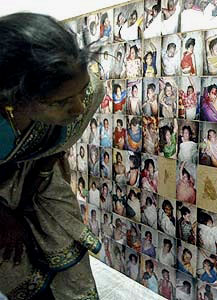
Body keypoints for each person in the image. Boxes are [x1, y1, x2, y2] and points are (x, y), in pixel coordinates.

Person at [0, 12, 107, 298]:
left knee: (68, 260)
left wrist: (37, 178)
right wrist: (6, 217)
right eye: (60, 102)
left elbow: (57, 146)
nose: (78, 109)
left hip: (43, 179)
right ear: (15, 98)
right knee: (15, 263)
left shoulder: (91, 90)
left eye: (80, 93)